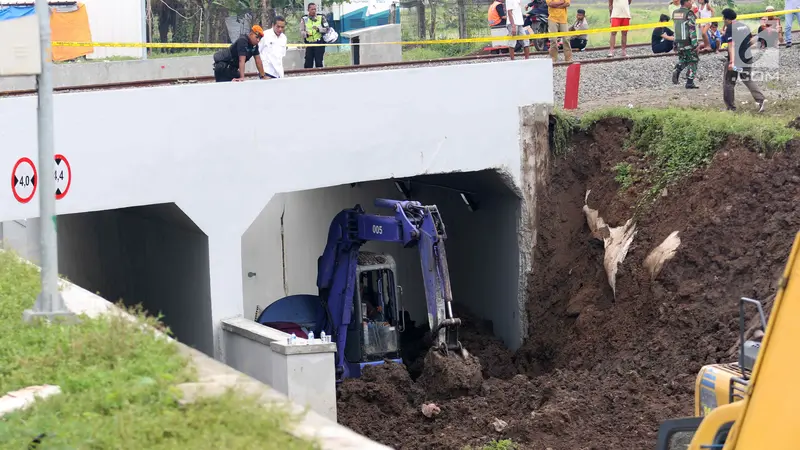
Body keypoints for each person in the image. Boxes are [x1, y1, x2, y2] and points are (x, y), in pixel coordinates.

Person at [722, 8, 766, 112]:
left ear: (726, 18)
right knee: (747, 78)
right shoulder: (744, 26)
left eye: (723, 18)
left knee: (729, 82)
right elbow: (751, 41)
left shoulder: (730, 27)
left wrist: (732, 62)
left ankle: (730, 108)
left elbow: (731, 45)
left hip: (736, 59)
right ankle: (761, 100)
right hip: (746, 58)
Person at [671, 0, 699, 89]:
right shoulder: (689, 13)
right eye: (690, 1)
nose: (691, 3)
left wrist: (675, 43)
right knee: (693, 60)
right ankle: (690, 82)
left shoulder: (675, 13)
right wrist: (695, 43)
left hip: (678, 41)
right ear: (686, 2)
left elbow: (675, 27)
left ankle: (677, 69)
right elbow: (692, 29)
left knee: (684, 59)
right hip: (688, 41)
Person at [300, 3, 329, 68]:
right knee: (308, 63)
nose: (314, 11)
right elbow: (301, 31)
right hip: (309, 43)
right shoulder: (304, 19)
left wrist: (319, 29)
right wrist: (306, 34)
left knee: (319, 62)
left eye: (315, 9)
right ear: (308, 10)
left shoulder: (321, 17)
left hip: (318, 43)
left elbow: (327, 29)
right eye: (312, 9)